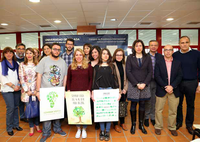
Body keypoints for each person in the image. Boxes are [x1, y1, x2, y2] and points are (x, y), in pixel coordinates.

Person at [36, 43, 68, 142]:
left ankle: (57, 128)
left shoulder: (62, 62)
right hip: (46, 91)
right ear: (51, 50)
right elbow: (39, 76)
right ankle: (46, 133)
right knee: (47, 113)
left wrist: (63, 90)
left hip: (58, 91)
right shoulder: (44, 60)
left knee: (57, 111)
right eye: (55, 49)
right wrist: (38, 91)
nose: (56, 51)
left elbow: (65, 77)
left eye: (58, 50)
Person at [174, 36, 200, 135]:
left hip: (191, 82)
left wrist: (199, 84)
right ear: (179, 44)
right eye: (182, 42)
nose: (184, 44)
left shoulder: (197, 54)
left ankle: (189, 124)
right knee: (178, 104)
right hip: (178, 83)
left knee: (190, 105)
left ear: (189, 43)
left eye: (186, 42)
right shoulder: (175, 55)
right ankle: (179, 122)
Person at [154, 45, 182, 136]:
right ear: (163, 51)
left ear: (173, 51)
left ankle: (172, 127)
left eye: (170, 50)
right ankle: (158, 126)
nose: (168, 52)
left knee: (173, 110)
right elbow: (156, 76)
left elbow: (180, 76)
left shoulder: (177, 62)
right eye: (166, 50)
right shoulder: (159, 62)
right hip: (162, 89)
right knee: (158, 109)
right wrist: (165, 86)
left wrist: (172, 86)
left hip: (174, 90)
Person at [92, 48, 120, 141]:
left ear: (109, 55)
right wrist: (93, 92)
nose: (105, 55)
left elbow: (115, 79)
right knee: (101, 112)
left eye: (107, 54)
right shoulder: (96, 67)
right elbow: (94, 80)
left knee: (108, 112)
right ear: (100, 55)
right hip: (99, 91)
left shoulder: (112, 66)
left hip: (110, 90)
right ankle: (102, 130)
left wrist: (118, 92)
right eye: (103, 53)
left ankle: (107, 130)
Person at [126, 39, 152, 135]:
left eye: (140, 45)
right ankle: (133, 124)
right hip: (134, 85)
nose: (138, 47)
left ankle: (141, 125)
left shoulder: (147, 57)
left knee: (142, 105)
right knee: (133, 105)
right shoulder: (130, 57)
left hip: (145, 85)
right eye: (136, 46)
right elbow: (128, 72)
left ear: (143, 47)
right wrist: (136, 84)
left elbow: (150, 72)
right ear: (133, 47)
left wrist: (144, 83)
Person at [67, 48, 93, 139]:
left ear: (83, 56)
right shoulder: (71, 67)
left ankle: (84, 129)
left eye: (80, 55)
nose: (78, 56)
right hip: (74, 93)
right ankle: (78, 129)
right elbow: (69, 80)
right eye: (77, 55)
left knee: (85, 111)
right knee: (76, 111)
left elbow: (91, 79)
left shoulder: (88, 66)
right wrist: (69, 90)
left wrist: (89, 90)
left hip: (85, 93)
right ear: (74, 56)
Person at [0, 47, 23, 136]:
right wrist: (13, 86)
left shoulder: (16, 63)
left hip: (17, 89)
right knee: (10, 108)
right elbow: (3, 79)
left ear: (13, 54)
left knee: (16, 107)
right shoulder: (1, 64)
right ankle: (9, 127)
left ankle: (16, 125)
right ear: (4, 55)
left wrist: (19, 85)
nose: (8, 54)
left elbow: (19, 75)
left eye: (10, 52)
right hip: (7, 90)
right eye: (6, 53)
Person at [19, 48, 42, 136]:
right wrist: (27, 90)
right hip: (26, 91)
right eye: (27, 53)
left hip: (36, 90)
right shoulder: (22, 64)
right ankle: (31, 127)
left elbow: (39, 77)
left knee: (36, 108)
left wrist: (36, 90)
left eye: (30, 53)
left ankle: (37, 125)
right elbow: (21, 78)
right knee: (29, 109)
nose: (28, 55)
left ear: (33, 54)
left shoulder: (38, 64)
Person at [144, 40, 163, 127]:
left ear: (158, 46)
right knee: (148, 100)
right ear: (148, 46)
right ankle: (146, 117)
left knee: (155, 101)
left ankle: (153, 117)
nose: (153, 47)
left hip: (158, 82)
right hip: (147, 81)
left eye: (155, 45)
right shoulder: (145, 56)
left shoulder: (160, 57)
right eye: (151, 45)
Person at [112, 48, 128, 133]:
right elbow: (113, 80)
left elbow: (127, 79)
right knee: (115, 107)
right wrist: (118, 90)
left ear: (123, 56)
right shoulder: (112, 65)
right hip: (116, 90)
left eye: (121, 55)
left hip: (124, 90)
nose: (119, 57)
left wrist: (125, 89)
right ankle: (115, 124)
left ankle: (122, 122)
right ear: (115, 56)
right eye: (117, 55)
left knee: (123, 106)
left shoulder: (125, 65)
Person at [88, 46, 101, 130]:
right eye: (92, 52)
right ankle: (92, 119)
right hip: (90, 86)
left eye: (95, 52)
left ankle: (98, 122)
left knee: (98, 105)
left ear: (99, 53)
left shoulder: (102, 63)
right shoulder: (88, 63)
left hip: (99, 87)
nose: (94, 54)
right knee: (91, 104)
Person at [15, 43, 27, 122]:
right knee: (17, 103)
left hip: (24, 84)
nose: (21, 50)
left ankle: (24, 116)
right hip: (15, 84)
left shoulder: (26, 59)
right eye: (19, 48)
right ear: (16, 50)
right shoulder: (13, 59)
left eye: (22, 48)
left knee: (24, 101)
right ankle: (20, 117)